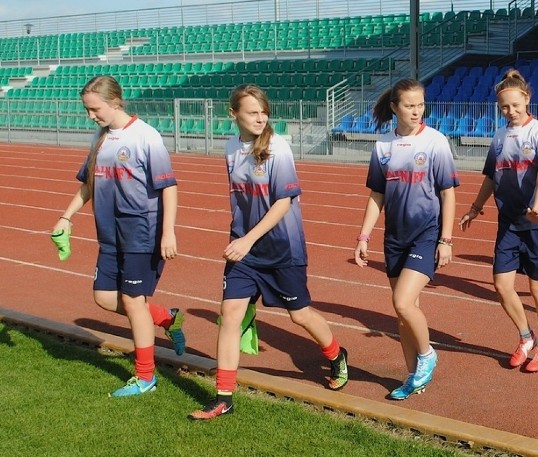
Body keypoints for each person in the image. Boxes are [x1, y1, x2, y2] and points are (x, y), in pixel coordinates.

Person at [190, 84, 348, 420]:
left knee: (300, 314)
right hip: (244, 252)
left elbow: (282, 202)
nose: (260, 117)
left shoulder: (278, 148)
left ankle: (336, 355)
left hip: (281, 249)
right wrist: (242, 240)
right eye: (252, 112)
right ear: (233, 115)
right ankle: (223, 398)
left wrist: (248, 239)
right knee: (230, 315)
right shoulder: (231, 147)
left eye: (263, 111)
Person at [52, 75, 185, 397]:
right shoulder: (100, 139)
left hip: (142, 232)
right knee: (103, 298)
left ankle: (145, 378)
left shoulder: (145, 136)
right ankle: (166, 317)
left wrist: (168, 232)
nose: (90, 116)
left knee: (132, 301)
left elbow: (168, 186)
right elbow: (88, 184)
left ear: (114, 102)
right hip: (109, 235)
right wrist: (66, 217)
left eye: (94, 109)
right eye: (87, 110)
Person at [354, 79, 458, 399]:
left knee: (401, 301)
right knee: (404, 311)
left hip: (425, 234)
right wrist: (364, 236)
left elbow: (448, 193)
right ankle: (413, 378)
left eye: (420, 105)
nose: (416, 111)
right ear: (395, 108)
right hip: (394, 237)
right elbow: (377, 195)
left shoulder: (435, 142)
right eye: (409, 105)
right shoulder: (383, 146)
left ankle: (427, 355)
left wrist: (446, 240)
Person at [460, 69, 538, 372]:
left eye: (515, 105)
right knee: (502, 284)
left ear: (527, 99)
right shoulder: (500, 136)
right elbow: (492, 176)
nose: (510, 111)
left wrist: (536, 206)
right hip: (509, 222)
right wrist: (475, 209)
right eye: (504, 107)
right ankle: (525, 336)